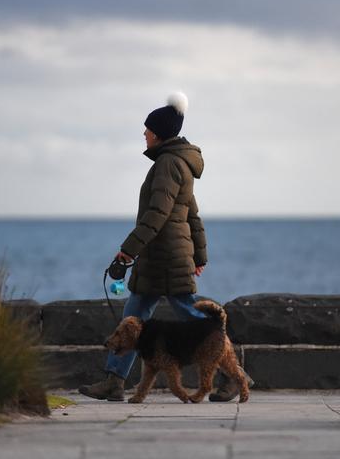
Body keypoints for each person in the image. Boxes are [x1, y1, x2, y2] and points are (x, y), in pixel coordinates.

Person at [79, 92, 249, 402]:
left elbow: (156, 214)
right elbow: (191, 214)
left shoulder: (169, 165)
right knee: (133, 316)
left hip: (166, 258)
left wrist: (128, 249)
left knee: (195, 317)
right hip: (162, 258)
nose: (143, 134)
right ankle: (114, 381)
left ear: (158, 133)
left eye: (147, 130)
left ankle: (233, 375)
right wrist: (199, 255)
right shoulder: (177, 163)